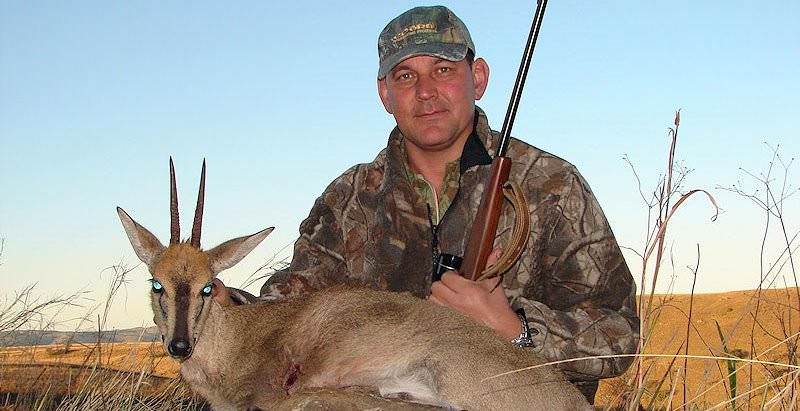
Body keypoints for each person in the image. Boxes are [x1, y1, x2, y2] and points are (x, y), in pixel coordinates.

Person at [218, 5, 639, 403]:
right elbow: (294, 307)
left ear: (478, 77)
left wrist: (516, 329)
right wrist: (226, 309)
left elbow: (621, 336)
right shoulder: (347, 199)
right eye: (405, 76)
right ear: (385, 94)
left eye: (443, 69)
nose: (425, 92)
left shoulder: (551, 185)